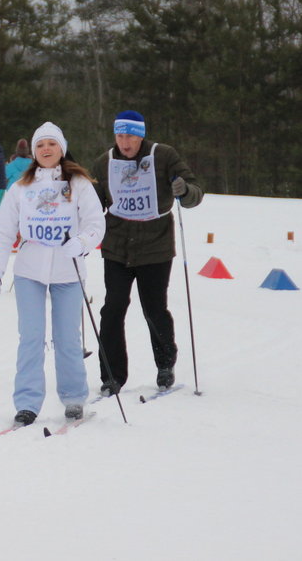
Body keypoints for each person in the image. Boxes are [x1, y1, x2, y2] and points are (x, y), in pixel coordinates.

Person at [0, 122, 105, 424]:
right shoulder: (21, 187)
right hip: (29, 270)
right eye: (40, 145)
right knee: (31, 337)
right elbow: (3, 230)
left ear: (61, 149)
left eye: (51, 144)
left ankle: (74, 398)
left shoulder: (77, 183)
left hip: (68, 271)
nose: (46, 150)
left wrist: (80, 243)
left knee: (67, 338)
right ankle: (27, 403)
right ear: (34, 152)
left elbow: (95, 223)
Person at [90, 110, 203, 395]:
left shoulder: (163, 156)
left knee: (153, 308)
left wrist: (184, 190)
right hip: (117, 246)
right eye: (120, 135)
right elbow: (94, 202)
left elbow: (196, 194)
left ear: (141, 135)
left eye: (130, 136)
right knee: (112, 310)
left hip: (156, 246)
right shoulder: (105, 162)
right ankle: (111, 376)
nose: (124, 142)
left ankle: (165, 364)